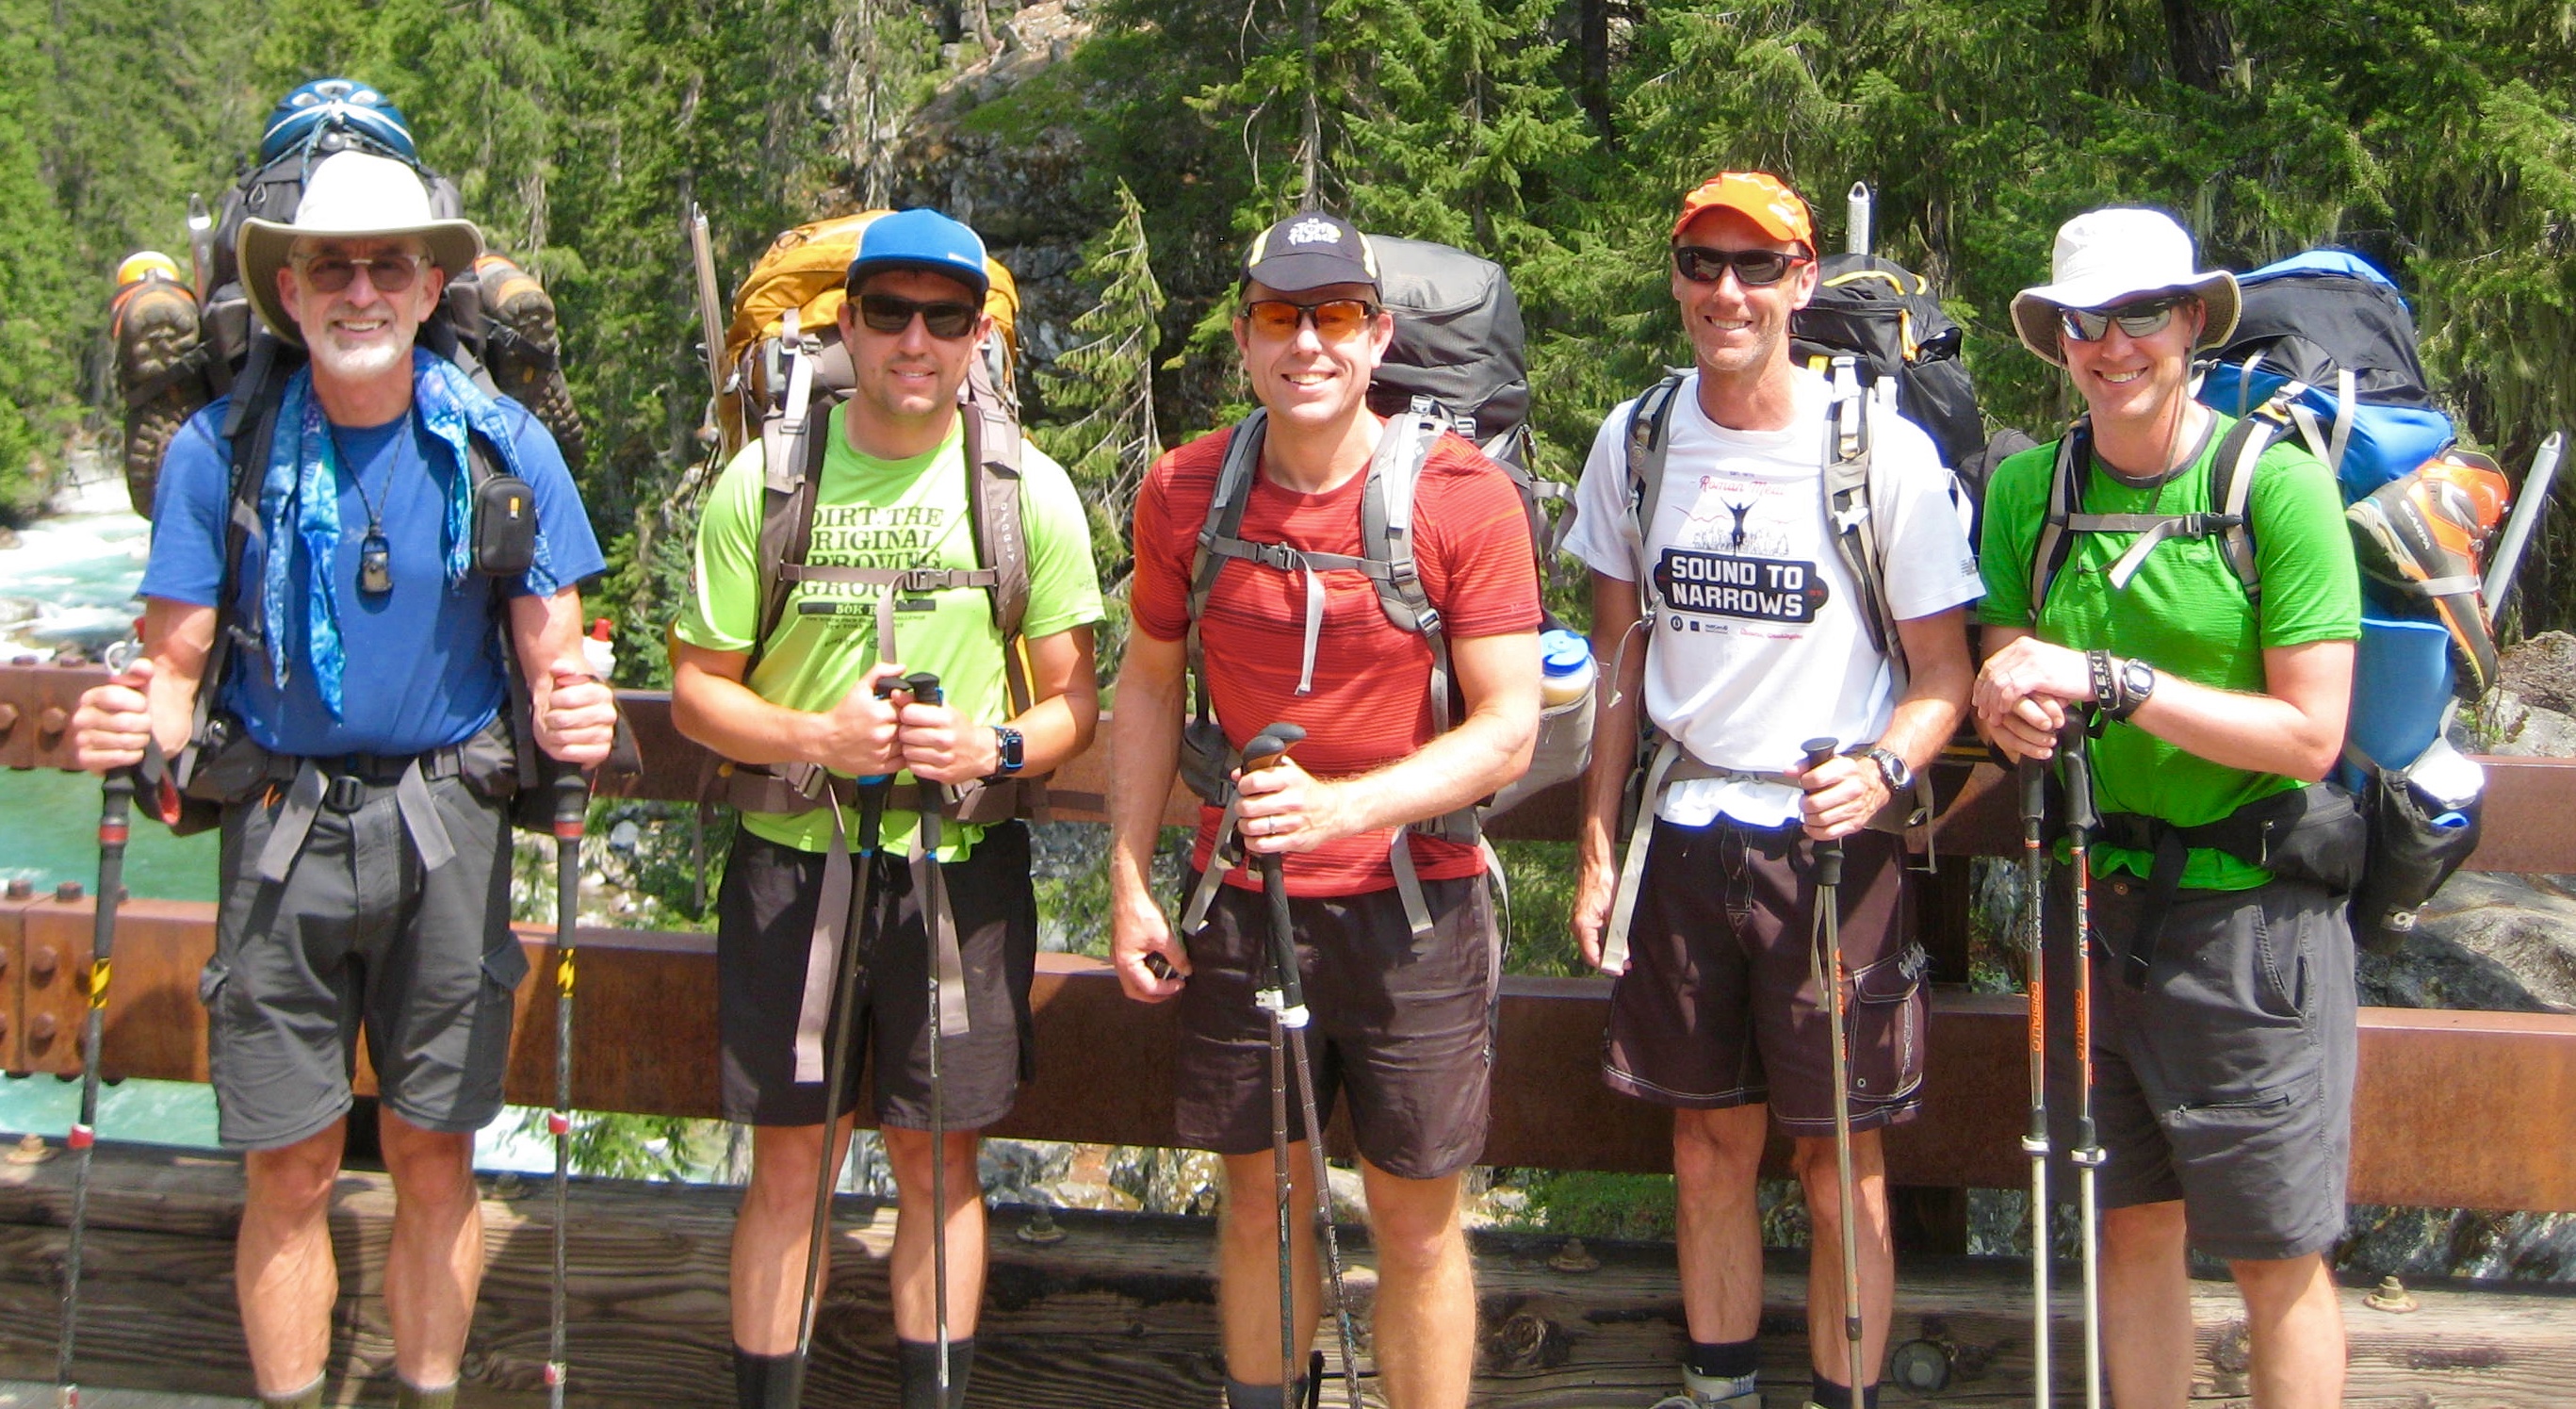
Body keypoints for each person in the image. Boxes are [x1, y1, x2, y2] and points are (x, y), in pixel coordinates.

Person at [69, 150, 613, 1409]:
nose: (358, 289)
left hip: (447, 825)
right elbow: (173, 658)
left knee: (436, 1154)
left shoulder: (501, 439)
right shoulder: (220, 448)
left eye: (386, 266)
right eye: (331, 266)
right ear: (290, 289)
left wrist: (578, 702)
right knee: (289, 1164)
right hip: (278, 828)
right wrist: (126, 717)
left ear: (429, 289)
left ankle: (423, 1389)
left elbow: (555, 648)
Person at [668, 207, 1104, 1409]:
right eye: (891, 313)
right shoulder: (764, 484)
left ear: (977, 337)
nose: (917, 339)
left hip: (956, 866)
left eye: (945, 316)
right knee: (791, 1167)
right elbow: (698, 693)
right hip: (789, 865)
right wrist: (818, 736)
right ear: (846, 324)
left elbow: (1076, 702)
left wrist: (995, 741)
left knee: (937, 1158)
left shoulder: (1030, 491)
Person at [1105, 212, 1541, 1409]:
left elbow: (1507, 725)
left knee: (1413, 1219)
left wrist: (1343, 806)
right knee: (1262, 1199)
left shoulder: (1461, 499)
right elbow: (1145, 685)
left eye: (1336, 316)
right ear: (1243, 338)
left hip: (1417, 909)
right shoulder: (1187, 489)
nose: (1309, 343)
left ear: (1378, 334)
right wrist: (1130, 877)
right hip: (1239, 902)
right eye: (1281, 317)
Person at [1563, 172, 1981, 1409]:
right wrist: (1594, 846)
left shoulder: (1877, 455)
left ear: (1803, 280)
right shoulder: (1634, 441)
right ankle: (1719, 1385)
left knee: (1838, 1161)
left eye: (1756, 266)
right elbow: (1617, 671)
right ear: (1676, 276)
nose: (1726, 291)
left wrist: (1885, 767)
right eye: (1702, 263)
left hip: (1828, 846)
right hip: (1683, 833)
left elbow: (1943, 669)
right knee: (1704, 1144)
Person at [1974, 207, 2360, 1409]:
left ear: (2192, 319)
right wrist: (2008, 706)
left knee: (2272, 1254)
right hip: (2088, 913)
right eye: (2084, 322)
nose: (2113, 345)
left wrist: (2115, 684)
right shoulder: (2031, 491)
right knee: (2127, 1227)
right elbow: (2003, 658)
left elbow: (2310, 734)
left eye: (2141, 313)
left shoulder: (2276, 488)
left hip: (2251, 928)